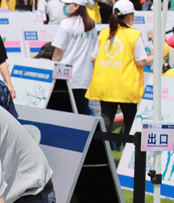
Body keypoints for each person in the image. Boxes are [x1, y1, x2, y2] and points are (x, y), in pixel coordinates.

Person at [86, 0, 153, 136]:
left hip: (105, 85)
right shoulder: (133, 35)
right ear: (129, 16)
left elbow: (93, 58)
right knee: (130, 123)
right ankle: (129, 155)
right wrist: (155, 56)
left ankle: (100, 153)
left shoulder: (104, 33)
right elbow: (141, 62)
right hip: (126, 86)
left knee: (106, 122)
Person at [52, 0, 96, 115]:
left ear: (76, 6)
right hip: (85, 76)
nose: (65, 7)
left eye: (67, 5)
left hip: (65, 76)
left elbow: (58, 51)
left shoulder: (66, 23)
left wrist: (51, 69)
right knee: (82, 110)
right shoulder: (91, 24)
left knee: (65, 112)